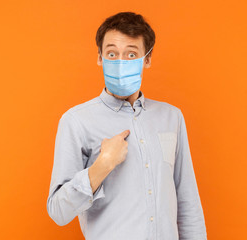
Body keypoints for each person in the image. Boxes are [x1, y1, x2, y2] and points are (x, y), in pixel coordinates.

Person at [47, 11, 207, 240]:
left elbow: (187, 199)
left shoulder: (171, 117)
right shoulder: (76, 121)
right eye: (112, 53)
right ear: (100, 57)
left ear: (147, 59)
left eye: (131, 54)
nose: (121, 62)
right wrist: (102, 165)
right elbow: (58, 212)